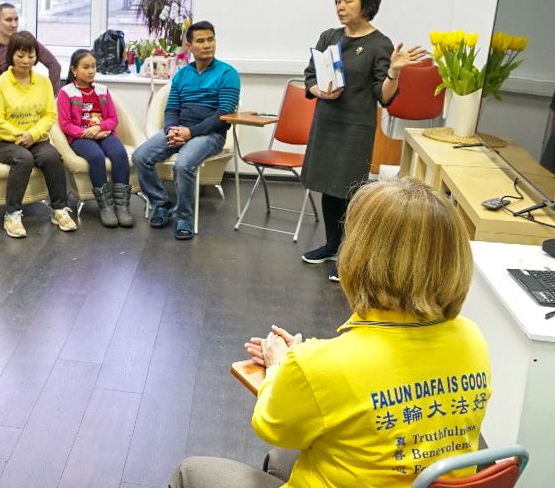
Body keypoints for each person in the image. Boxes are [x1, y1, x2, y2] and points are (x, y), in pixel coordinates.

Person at [169, 177, 490, 488]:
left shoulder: (321, 364)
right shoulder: (472, 339)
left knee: (191, 472)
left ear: (360, 258)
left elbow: (271, 425)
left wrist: (283, 364)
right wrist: (303, 366)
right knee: (286, 456)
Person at [300, 0, 426, 281]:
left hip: (354, 127)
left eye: (348, 0)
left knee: (349, 191)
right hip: (326, 121)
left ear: (366, 5)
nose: (340, 7)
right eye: (337, 0)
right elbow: (309, 76)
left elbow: (384, 96)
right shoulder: (328, 36)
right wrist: (318, 91)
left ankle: (350, 256)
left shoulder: (379, 44)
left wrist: (394, 71)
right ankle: (332, 245)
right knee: (328, 187)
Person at [132, 21, 240, 240]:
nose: (207, 45)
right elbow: (172, 108)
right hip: (180, 129)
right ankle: (161, 203)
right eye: (200, 41)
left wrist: (191, 133)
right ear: (189, 46)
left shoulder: (228, 73)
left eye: (211, 39)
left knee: (184, 164)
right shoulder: (182, 75)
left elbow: (223, 114)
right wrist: (172, 130)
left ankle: (184, 217)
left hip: (211, 134)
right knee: (140, 156)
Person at [0, 31, 75, 238]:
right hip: (2, 141)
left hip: (34, 138)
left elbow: (49, 114)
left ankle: (59, 209)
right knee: (23, 158)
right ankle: (12, 214)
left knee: (52, 156)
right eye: (20, 55)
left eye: (31, 55)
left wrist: (32, 135)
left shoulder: (43, 82)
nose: (26, 61)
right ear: (11, 55)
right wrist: (21, 135)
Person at [56, 49, 133, 228]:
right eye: (86, 67)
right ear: (74, 70)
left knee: (119, 154)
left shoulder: (103, 90)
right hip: (80, 137)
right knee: (96, 157)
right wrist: (88, 133)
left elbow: (113, 119)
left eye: (93, 67)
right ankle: (106, 207)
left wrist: (99, 128)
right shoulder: (65, 92)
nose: (91, 71)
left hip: (102, 133)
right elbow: (65, 124)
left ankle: (122, 206)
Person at [0, 3, 62, 92]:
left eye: (16, 19)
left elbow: (55, 65)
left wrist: (49, 94)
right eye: (9, 20)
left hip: (28, 98)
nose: (14, 24)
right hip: (2, 101)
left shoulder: (27, 42)